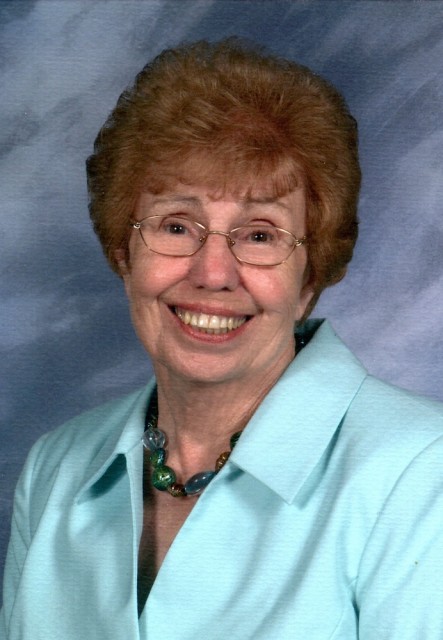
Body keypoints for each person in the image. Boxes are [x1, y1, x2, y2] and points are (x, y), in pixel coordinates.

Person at [1, 37, 443, 640]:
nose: (213, 273)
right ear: (124, 255)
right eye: (176, 226)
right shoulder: (56, 467)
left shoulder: (421, 470)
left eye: (260, 235)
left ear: (309, 277)